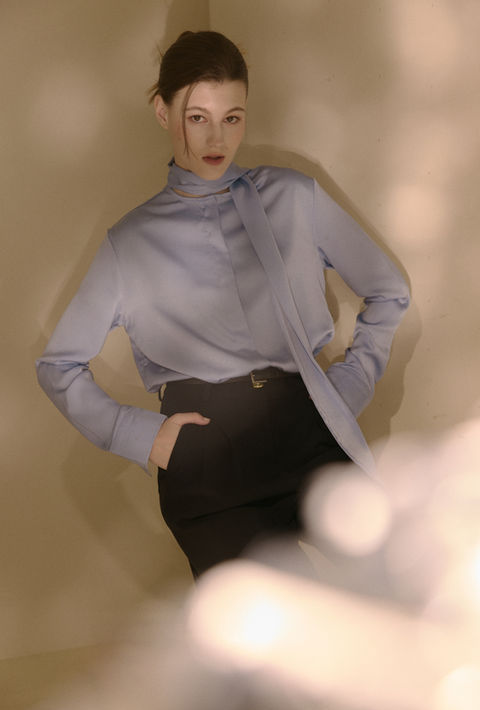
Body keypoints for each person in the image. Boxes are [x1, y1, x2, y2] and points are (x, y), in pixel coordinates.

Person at [36, 30, 410, 578]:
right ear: (162, 112)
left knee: (386, 597)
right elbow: (58, 365)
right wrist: (143, 437)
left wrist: (347, 386)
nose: (217, 138)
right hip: (207, 456)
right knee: (265, 628)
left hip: (308, 428)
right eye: (198, 118)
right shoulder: (130, 243)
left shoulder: (294, 196)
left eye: (232, 118)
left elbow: (388, 291)